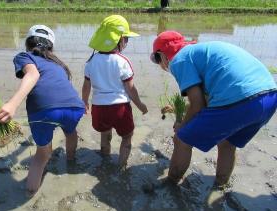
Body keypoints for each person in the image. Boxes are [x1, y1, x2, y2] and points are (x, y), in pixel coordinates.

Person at [150, 31, 277, 186]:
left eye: (157, 60)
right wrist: (178, 110)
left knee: (181, 139)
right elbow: (209, 101)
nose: (160, 65)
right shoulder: (199, 53)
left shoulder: (179, 59)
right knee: (227, 144)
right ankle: (220, 185)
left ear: (162, 55)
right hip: (268, 98)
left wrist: (182, 125)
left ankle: (170, 184)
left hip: (238, 101)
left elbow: (198, 105)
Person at [0, 25, 85, 193]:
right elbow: (60, 87)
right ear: (51, 47)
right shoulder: (59, 64)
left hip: (44, 111)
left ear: (28, 44)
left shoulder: (24, 56)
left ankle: (30, 193)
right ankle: (71, 160)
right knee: (71, 132)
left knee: (42, 154)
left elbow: (33, 75)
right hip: (74, 107)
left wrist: (12, 104)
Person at [82, 15, 148, 169]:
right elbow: (130, 88)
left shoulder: (91, 61)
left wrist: (84, 102)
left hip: (99, 108)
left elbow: (86, 86)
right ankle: (122, 166)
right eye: (126, 39)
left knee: (104, 133)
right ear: (118, 40)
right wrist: (140, 105)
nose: (127, 42)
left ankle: (105, 159)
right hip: (120, 108)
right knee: (127, 136)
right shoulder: (122, 61)